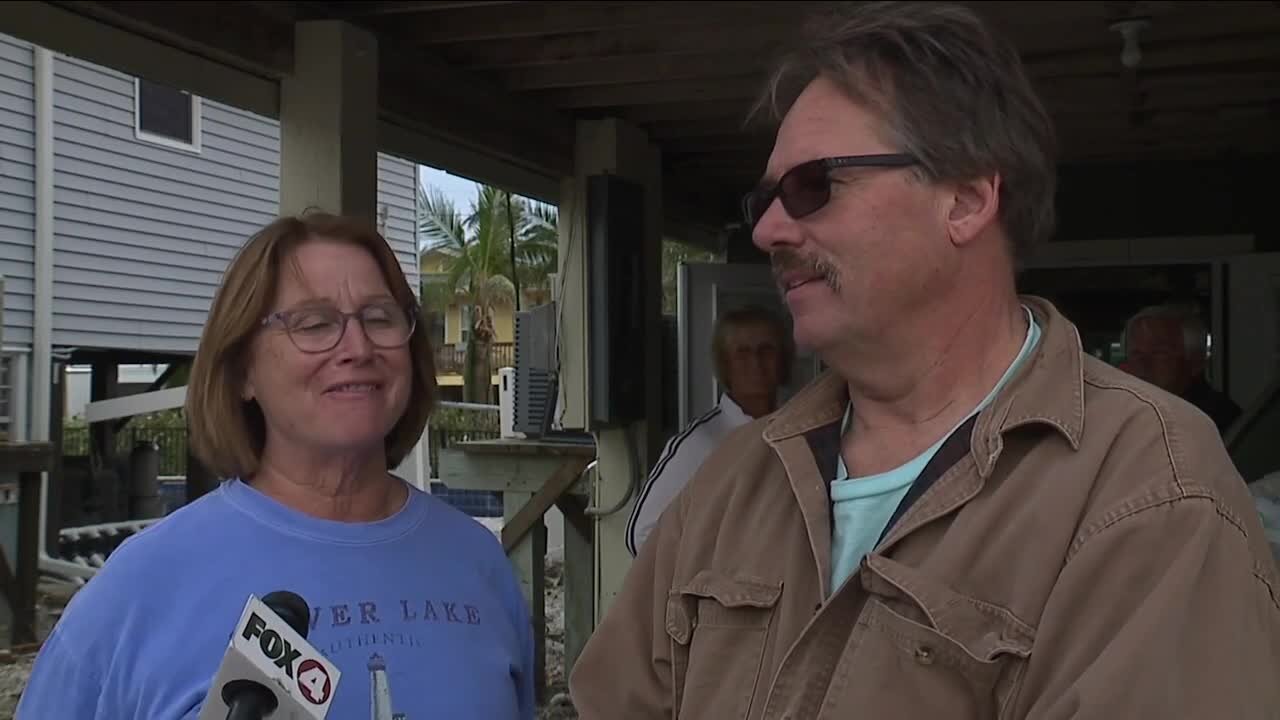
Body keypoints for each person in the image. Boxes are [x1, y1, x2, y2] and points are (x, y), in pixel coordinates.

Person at [569, 3, 1280, 718]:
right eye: (765, 197)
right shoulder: (737, 477)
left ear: (968, 200)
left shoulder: (1153, 490)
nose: (767, 229)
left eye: (813, 186)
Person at [18, 212, 536, 719]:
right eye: (314, 324)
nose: (357, 347)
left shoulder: (477, 563)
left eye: (379, 317)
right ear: (243, 370)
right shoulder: (139, 589)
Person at [625, 305, 792, 556]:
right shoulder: (701, 442)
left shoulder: (797, 431)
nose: (756, 362)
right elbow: (640, 536)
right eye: (743, 353)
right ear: (725, 364)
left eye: (766, 350)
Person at [1124, 303, 1242, 431]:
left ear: (1195, 361)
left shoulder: (1214, 422)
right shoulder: (1123, 413)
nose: (1142, 364)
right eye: (1136, 354)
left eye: (1159, 353)